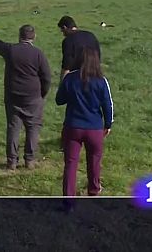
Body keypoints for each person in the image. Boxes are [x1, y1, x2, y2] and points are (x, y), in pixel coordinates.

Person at [0, 25, 52, 170]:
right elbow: (47, 77)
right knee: (33, 128)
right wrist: (42, 93)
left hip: (13, 95)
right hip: (33, 97)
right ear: (34, 37)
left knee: (13, 128)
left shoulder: (11, 50)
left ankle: (12, 162)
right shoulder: (38, 54)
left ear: (19, 36)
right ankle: (29, 160)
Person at [56, 48, 113, 198]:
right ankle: (93, 191)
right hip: (94, 128)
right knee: (94, 161)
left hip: (73, 126)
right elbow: (107, 104)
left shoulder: (70, 78)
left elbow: (59, 100)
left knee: (71, 163)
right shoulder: (101, 80)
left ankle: (68, 197)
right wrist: (108, 124)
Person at [57, 16, 101, 81]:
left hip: (77, 78)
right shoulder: (91, 35)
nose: (63, 35)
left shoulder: (68, 41)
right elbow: (98, 56)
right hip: (94, 74)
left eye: (62, 31)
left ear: (65, 27)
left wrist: (62, 85)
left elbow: (66, 66)